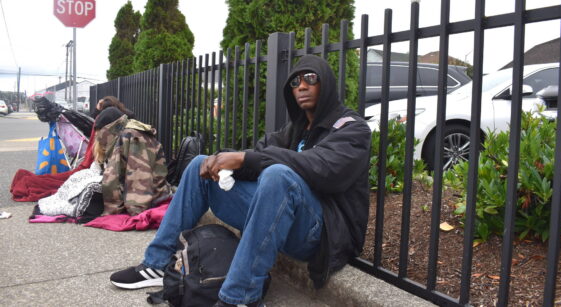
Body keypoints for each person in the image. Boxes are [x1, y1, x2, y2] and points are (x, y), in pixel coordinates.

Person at [110, 55, 371, 306]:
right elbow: (258, 156)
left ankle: (241, 297)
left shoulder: (352, 128)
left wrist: (246, 159)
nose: (301, 86)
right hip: (282, 220)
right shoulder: (294, 130)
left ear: (326, 83)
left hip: (318, 233)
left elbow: (323, 170)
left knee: (278, 175)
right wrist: (223, 160)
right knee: (200, 164)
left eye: (310, 78)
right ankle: (156, 263)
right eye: (295, 81)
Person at [95, 107, 171, 215]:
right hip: (153, 194)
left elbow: (139, 175)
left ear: (107, 130)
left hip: (149, 199)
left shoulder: (130, 136)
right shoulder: (129, 132)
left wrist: (136, 210)